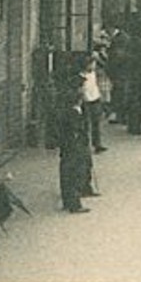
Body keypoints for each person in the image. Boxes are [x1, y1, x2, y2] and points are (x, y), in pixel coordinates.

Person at [57, 84, 94, 213]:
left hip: (67, 148)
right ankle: (75, 203)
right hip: (75, 148)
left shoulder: (65, 111)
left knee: (66, 174)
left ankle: (68, 201)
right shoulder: (74, 113)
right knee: (75, 174)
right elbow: (77, 131)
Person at [79, 53, 106, 153]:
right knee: (86, 124)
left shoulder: (93, 74)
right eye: (92, 64)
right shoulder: (82, 76)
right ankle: (85, 145)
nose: (93, 66)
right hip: (86, 101)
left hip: (95, 98)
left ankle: (97, 144)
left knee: (96, 123)